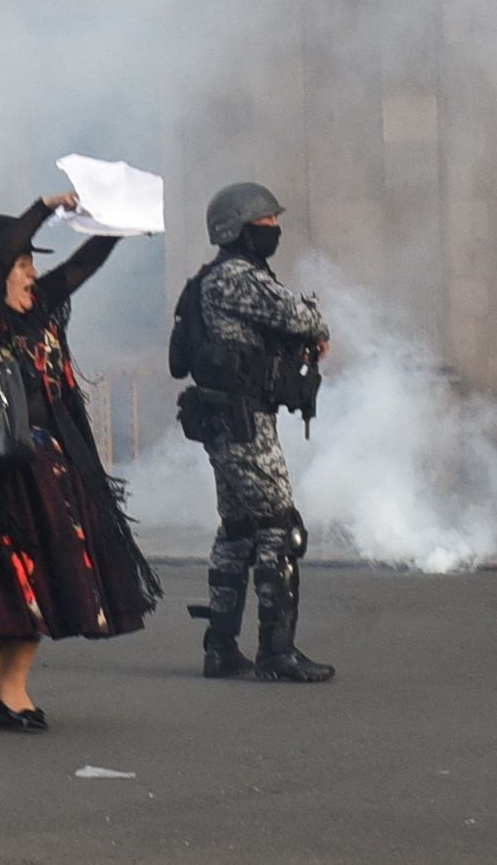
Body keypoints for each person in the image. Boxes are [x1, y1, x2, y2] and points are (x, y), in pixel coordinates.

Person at [0, 191, 163, 732]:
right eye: (22, 263)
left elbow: (81, 266)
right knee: (41, 578)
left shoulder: (39, 305)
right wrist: (44, 206)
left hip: (45, 461)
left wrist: (119, 225)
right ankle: (11, 690)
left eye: (31, 263)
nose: (31, 272)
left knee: (13, 587)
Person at [175, 182, 334, 683]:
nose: (274, 230)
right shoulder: (238, 279)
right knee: (279, 529)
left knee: (239, 530)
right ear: (239, 230)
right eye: (266, 224)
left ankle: (220, 648)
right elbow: (299, 315)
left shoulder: (213, 279)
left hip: (228, 419)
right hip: (244, 422)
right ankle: (276, 652)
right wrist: (314, 326)